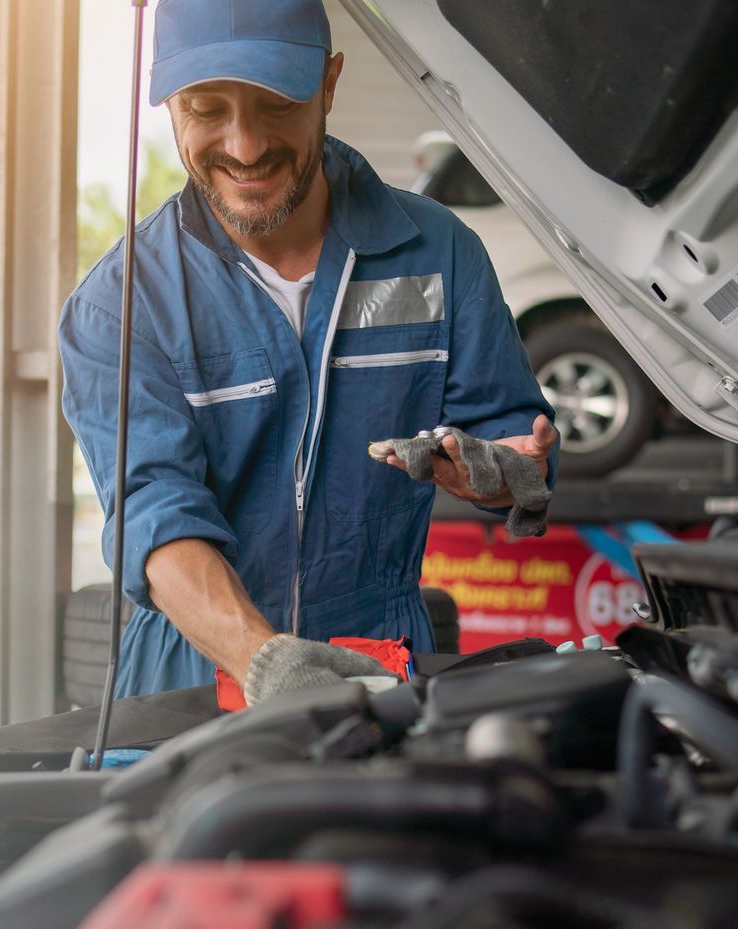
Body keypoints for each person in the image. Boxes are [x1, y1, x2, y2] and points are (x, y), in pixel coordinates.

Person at [61, 0, 558, 703]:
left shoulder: (440, 254)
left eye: (276, 103)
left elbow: (515, 445)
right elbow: (153, 512)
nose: (244, 145)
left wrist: (503, 472)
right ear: (170, 105)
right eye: (206, 110)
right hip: (189, 682)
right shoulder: (121, 304)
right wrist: (263, 660)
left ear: (328, 84)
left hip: (381, 663)